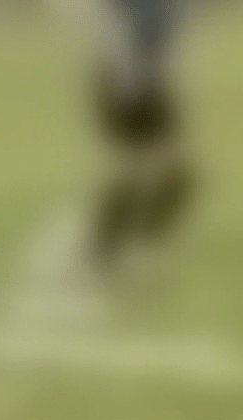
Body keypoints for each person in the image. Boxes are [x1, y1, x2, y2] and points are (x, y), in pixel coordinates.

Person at [89, 0, 193, 278]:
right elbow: (118, 30)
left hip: (146, 80)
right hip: (130, 81)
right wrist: (131, 78)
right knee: (144, 169)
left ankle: (120, 249)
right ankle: (108, 252)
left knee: (170, 171)